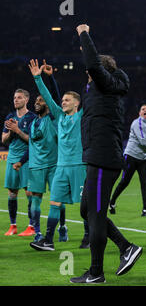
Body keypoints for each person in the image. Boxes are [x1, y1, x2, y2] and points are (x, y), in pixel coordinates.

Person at [71, 24, 142, 284]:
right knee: (86, 210)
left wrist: (84, 33)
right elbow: (94, 64)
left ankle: (96, 272)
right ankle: (126, 247)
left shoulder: (105, 84)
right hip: (98, 156)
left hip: (103, 158)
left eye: (91, 71)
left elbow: (93, 64)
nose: (87, 75)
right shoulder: (104, 88)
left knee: (96, 215)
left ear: (99, 72)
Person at [27, 59, 89, 251]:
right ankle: (48, 240)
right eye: (62, 100)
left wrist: (91, 80)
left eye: (67, 100)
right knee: (54, 202)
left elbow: (92, 97)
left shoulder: (81, 116)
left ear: (77, 104)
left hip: (79, 166)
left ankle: (88, 237)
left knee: (85, 207)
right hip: (61, 167)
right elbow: (48, 95)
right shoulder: (59, 116)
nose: (63, 102)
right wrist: (38, 79)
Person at [13, 85, 59, 243]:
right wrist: (21, 161)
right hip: (36, 167)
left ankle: (63, 226)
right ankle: (38, 232)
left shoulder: (53, 119)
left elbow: (54, 97)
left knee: (57, 199)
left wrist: (49, 79)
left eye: (41, 100)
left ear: (48, 103)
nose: (36, 103)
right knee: (35, 200)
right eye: (36, 101)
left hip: (53, 166)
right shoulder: (33, 124)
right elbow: (32, 146)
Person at [109, 104, 146, 216]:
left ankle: (144, 209)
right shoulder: (137, 123)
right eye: (143, 109)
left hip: (143, 158)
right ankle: (112, 202)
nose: (145, 110)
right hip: (131, 156)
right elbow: (142, 141)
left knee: (145, 183)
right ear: (139, 113)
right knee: (125, 182)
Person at [2, 89, 37, 236]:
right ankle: (13, 226)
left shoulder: (32, 117)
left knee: (29, 192)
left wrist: (17, 130)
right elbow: (4, 140)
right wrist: (10, 130)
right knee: (12, 193)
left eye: (19, 98)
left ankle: (31, 226)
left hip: (27, 158)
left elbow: (33, 141)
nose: (16, 100)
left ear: (26, 100)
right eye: (15, 97)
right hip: (11, 157)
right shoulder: (10, 117)